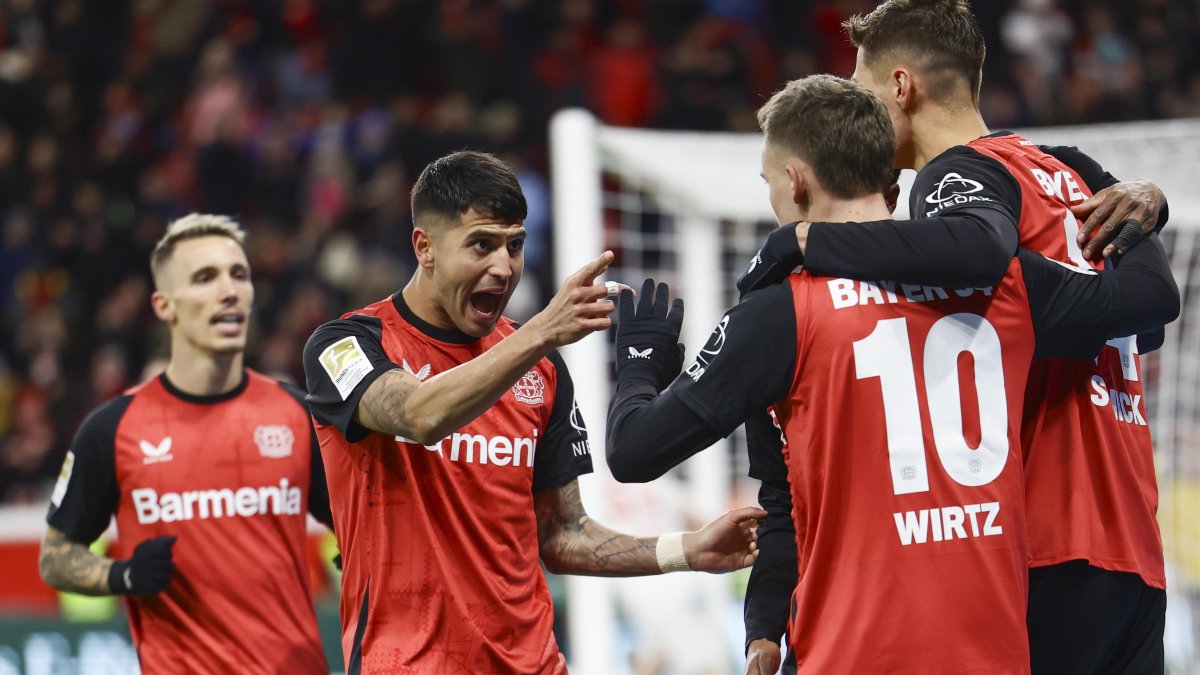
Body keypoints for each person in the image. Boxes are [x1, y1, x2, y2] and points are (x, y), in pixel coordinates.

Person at [603, 74, 1179, 673]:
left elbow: (636, 453)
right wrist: (1139, 199)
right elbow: (1145, 311)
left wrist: (641, 363)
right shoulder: (1004, 287)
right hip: (998, 650)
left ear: (795, 180)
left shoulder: (780, 311)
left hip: (851, 650)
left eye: (769, 181)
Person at [734, 2, 1174, 672]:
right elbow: (1152, 309)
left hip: (1041, 540)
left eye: (863, 85)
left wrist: (806, 240)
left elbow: (978, 249)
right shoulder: (1072, 170)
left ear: (902, 87)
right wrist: (1148, 204)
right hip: (1133, 552)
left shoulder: (958, 178)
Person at [301, 150, 765, 674]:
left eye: (514, 245)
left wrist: (687, 550)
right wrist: (542, 332)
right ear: (424, 247)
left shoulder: (539, 371)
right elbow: (417, 414)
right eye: (481, 245)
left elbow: (563, 535)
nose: (503, 268)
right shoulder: (347, 345)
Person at [39, 214, 335, 673]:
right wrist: (122, 575)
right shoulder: (111, 429)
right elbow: (55, 557)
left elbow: (359, 525)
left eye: (239, 274)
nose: (229, 290)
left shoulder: (300, 415)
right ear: (164, 305)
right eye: (205, 278)